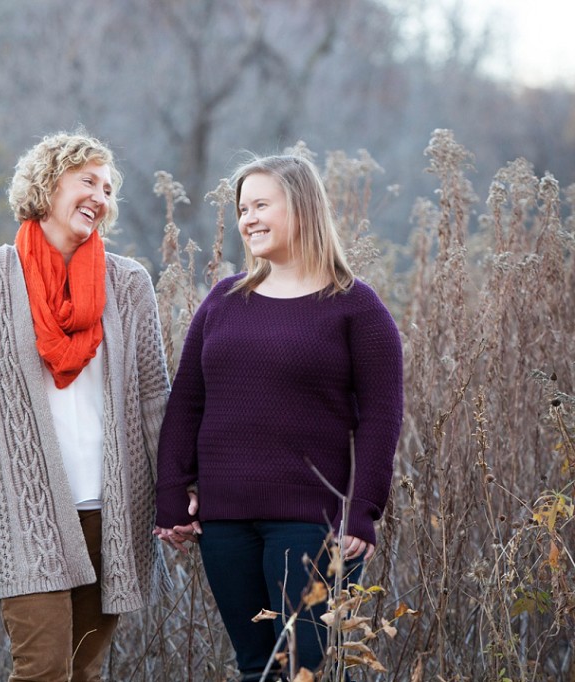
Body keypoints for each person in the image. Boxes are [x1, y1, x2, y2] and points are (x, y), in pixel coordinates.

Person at [0, 130, 170, 682]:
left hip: (115, 513)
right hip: (22, 510)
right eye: (87, 181)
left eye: (108, 189)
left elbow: (156, 400)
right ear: (47, 183)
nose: (100, 197)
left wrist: (179, 494)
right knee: (42, 670)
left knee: (81, 672)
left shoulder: (129, 283)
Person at [154, 154, 404, 680]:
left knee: (300, 669)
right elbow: (187, 404)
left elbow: (382, 417)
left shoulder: (355, 306)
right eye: (243, 209)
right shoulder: (222, 301)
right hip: (225, 524)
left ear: (303, 208)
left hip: (313, 525)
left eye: (262, 204)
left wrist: (363, 510)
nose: (248, 219)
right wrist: (173, 495)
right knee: (255, 668)